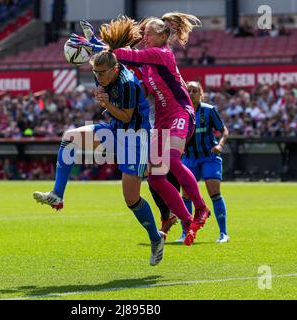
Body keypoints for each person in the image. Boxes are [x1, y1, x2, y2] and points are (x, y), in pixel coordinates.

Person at [71, 13, 211, 246]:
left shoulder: (161, 53)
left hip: (179, 112)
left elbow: (127, 55)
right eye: (144, 34)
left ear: (162, 35)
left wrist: (93, 44)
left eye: (148, 34)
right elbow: (132, 76)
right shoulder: (149, 65)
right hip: (161, 120)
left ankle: (202, 208)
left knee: (171, 161)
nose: (145, 38)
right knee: (155, 178)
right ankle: (187, 221)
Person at [33, 22, 166, 266]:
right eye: (95, 73)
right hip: (116, 130)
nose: (98, 77)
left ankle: (155, 237)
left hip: (135, 138)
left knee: (131, 199)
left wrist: (105, 103)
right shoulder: (106, 64)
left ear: (115, 70)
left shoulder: (126, 83)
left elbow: (126, 116)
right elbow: (102, 51)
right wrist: (90, 39)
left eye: (102, 74)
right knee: (69, 139)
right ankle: (57, 195)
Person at [175, 81, 229, 243]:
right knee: (186, 195)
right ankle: (186, 232)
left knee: (214, 192)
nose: (191, 93)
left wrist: (220, 145)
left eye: (194, 91)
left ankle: (223, 233)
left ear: (201, 93)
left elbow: (224, 131)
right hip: (189, 158)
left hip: (209, 157)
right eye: (188, 91)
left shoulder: (209, 111)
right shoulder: (181, 112)